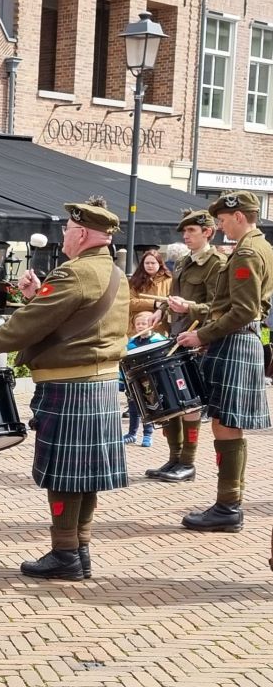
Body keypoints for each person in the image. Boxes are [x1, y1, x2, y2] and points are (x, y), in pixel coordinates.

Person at [0, 197, 129, 580]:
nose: (63, 235)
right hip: (101, 384)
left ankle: (64, 554)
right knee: (85, 476)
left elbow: (30, 324)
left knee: (62, 475)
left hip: (70, 385)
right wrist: (35, 295)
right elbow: (71, 319)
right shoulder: (114, 273)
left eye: (67, 230)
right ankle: (79, 550)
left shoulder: (73, 274)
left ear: (80, 233)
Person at [175, 190, 273, 532]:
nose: (220, 226)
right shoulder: (261, 247)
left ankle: (228, 506)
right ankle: (228, 502)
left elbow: (244, 310)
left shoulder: (246, 251)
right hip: (240, 340)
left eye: (223, 220)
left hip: (235, 341)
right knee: (226, 422)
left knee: (226, 423)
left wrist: (203, 335)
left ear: (240, 217)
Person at [146, 209, 225, 483]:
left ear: (208, 232)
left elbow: (219, 307)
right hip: (177, 336)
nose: (185, 236)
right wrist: (163, 310)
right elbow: (174, 298)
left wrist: (190, 308)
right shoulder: (183, 262)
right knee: (171, 400)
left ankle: (188, 462)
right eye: (184, 231)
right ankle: (174, 458)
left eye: (191, 231)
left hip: (198, 339)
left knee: (189, 403)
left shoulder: (217, 263)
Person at [121, 311, 167, 446]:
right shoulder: (130, 343)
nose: (140, 326)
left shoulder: (158, 341)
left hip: (150, 381)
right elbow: (124, 364)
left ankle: (148, 434)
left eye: (144, 323)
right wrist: (122, 380)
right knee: (133, 408)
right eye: (138, 324)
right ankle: (132, 434)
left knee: (148, 407)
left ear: (152, 324)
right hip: (134, 381)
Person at [128, 249, 172, 335]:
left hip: (159, 326)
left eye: (153, 263)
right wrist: (153, 304)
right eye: (147, 263)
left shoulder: (169, 280)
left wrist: (162, 307)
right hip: (137, 327)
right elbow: (129, 302)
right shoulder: (135, 281)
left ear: (159, 264)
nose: (150, 266)